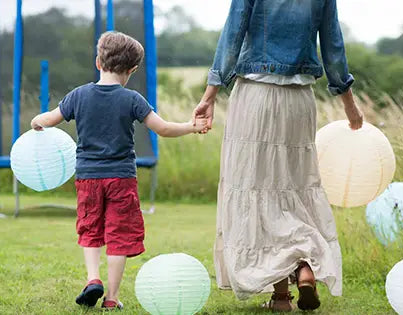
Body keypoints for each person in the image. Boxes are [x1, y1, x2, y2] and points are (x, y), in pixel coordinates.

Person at [193, 0, 364, 312]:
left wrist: (210, 95)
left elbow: (233, 34)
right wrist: (349, 102)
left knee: (259, 191)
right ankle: (302, 270)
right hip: (300, 101)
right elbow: (333, 44)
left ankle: (283, 296)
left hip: (256, 98)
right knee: (294, 191)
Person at [31, 31, 208, 311]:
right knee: (118, 235)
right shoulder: (132, 99)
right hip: (122, 179)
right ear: (132, 70)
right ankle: (111, 298)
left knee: (90, 229)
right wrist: (191, 126)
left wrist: (36, 122)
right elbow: (162, 128)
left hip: (88, 178)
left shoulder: (78, 96)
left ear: (98, 62)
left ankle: (92, 279)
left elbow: (50, 119)